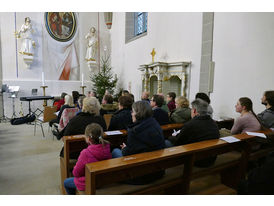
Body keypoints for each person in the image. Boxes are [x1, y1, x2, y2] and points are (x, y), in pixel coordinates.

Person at [112, 101, 165, 184]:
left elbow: (129, 155)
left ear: (138, 113)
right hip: (157, 170)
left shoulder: (135, 131)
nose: (131, 114)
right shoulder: (155, 123)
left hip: (139, 175)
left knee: (115, 151)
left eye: (132, 111)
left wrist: (125, 148)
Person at [166, 98, 220, 167]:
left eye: (191, 109)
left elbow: (178, 142)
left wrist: (171, 137)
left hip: (196, 160)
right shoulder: (213, 123)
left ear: (194, 111)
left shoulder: (190, 124)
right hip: (211, 158)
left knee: (166, 142)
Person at [64, 123, 111, 195]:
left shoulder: (85, 153)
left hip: (91, 182)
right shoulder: (107, 147)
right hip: (104, 179)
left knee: (66, 182)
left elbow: (76, 173)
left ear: (88, 139)